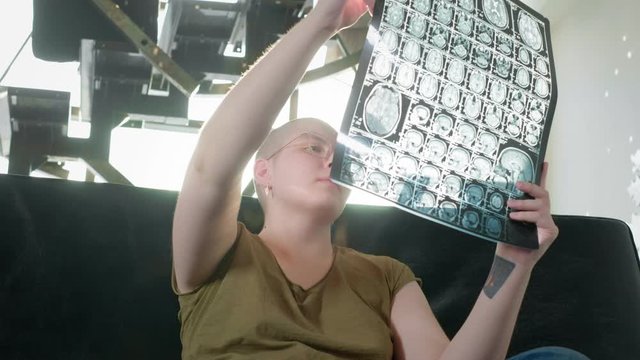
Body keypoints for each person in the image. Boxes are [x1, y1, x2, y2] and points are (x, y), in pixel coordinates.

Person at [171, 0, 590, 358]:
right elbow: (212, 166)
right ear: (264, 172)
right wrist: (324, 21)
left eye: (341, 153)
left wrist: (514, 261)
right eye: (312, 147)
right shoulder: (221, 253)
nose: (331, 160)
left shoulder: (385, 276)